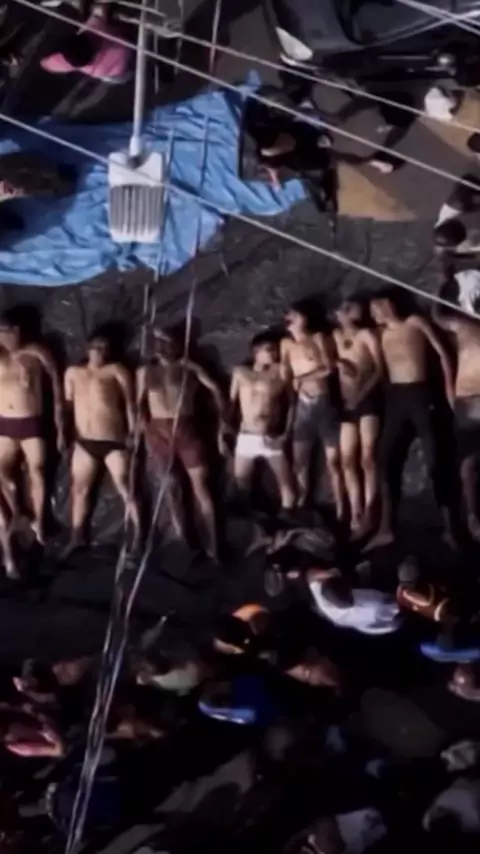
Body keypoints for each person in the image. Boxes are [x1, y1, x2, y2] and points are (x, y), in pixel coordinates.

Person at [365, 293, 455, 550]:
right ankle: (386, 528)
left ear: (389, 305)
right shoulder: (380, 334)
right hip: (396, 397)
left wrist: (449, 390)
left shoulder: (414, 322)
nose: (374, 313)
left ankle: (450, 527)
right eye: (372, 310)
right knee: (384, 458)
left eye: (377, 307)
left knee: (436, 457)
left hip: (420, 392)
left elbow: (442, 353)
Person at [136, 327, 227, 562]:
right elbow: (138, 403)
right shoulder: (145, 372)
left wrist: (223, 422)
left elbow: (215, 389)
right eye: (158, 342)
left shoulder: (189, 367)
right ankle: (187, 542)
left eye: (166, 342)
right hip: (159, 433)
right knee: (170, 486)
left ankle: (215, 545)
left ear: (177, 344)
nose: (161, 347)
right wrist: (143, 428)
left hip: (186, 429)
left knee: (201, 486)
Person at [63, 333, 139, 554]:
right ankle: (77, 537)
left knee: (125, 486)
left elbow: (130, 403)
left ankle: (139, 537)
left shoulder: (116, 371)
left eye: (104, 348)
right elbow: (67, 405)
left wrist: (133, 432)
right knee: (79, 489)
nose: (99, 351)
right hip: (84, 441)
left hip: (112, 439)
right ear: (87, 349)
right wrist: (64, 432)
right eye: (96, 347)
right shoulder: (73, 373)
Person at [0, 315, 64, 546]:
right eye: (2, 334)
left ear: (18, 331)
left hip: (31, 422)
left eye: (9, 332)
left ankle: (39, 521)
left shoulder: (36, 352)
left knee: (37, 471)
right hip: (4, 424)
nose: (6, 338)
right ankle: (18, 512)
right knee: (2, 471)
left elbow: (56, 380)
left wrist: (60, 421)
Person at [280, 300, 343, 516]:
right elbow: (285, 374)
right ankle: (299, 504)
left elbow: (329, 368)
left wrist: (303, 377)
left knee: (333, 461)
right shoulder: (286, 344)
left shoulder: (317, 338)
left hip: (322, 399)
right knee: (300, 459)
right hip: (302, 403)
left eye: (295, 314)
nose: (292, 318)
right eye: (290, 315)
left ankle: (341, 508)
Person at [332, 300, 384, 536]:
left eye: (349, 308)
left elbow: (379, 369)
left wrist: (360, 395)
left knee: (367, 456)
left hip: (367, 399)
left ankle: (371, 509)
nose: (342, 313)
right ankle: (356, 510)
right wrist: (339, 364)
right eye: (344, 309)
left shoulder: (366, 335)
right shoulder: (336, 336)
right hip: (346, 401)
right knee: (346, 460)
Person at [230, 334, 295, 511]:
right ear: (256, 352)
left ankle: (287, 518)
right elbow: (231, 404)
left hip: (269, 435)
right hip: (246, 435)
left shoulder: (280, 372)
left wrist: (286, 432)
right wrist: (224, 431)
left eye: (275, 350)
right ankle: (251, 522)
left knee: (287, 486)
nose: (273, 353)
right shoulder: (240, 372)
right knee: (242, 484)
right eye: (269, 350)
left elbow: (291, 402)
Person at [433, 308, 480, 540]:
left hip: (472, 399)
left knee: (470, 463)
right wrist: (441, 288)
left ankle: (472, 515)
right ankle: (472, 515)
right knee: (467, 463)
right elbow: (438, 317)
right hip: (466, 400)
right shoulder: (463, 325)